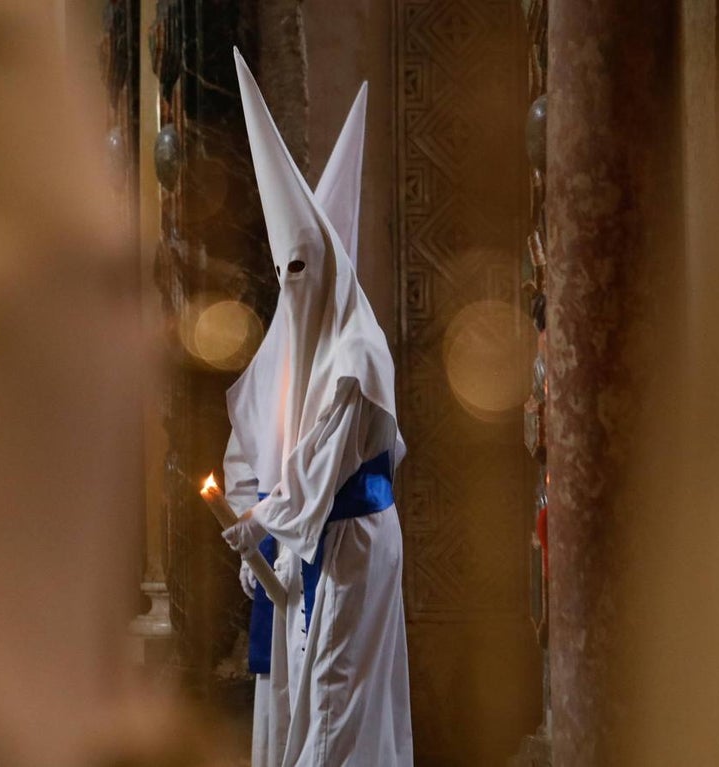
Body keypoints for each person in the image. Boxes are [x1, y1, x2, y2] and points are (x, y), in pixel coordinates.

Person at [221, 49, 413, 767]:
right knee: (306, 701)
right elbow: (257, 451)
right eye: (280, 271)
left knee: (337, 703)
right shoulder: (297, 343)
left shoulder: (355, 355)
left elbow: (323, 465)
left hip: (351, 544)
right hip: (308, 549)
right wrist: (257, 522)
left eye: (298, 268)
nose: (288, 285)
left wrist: (263, 522)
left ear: (328, 262)